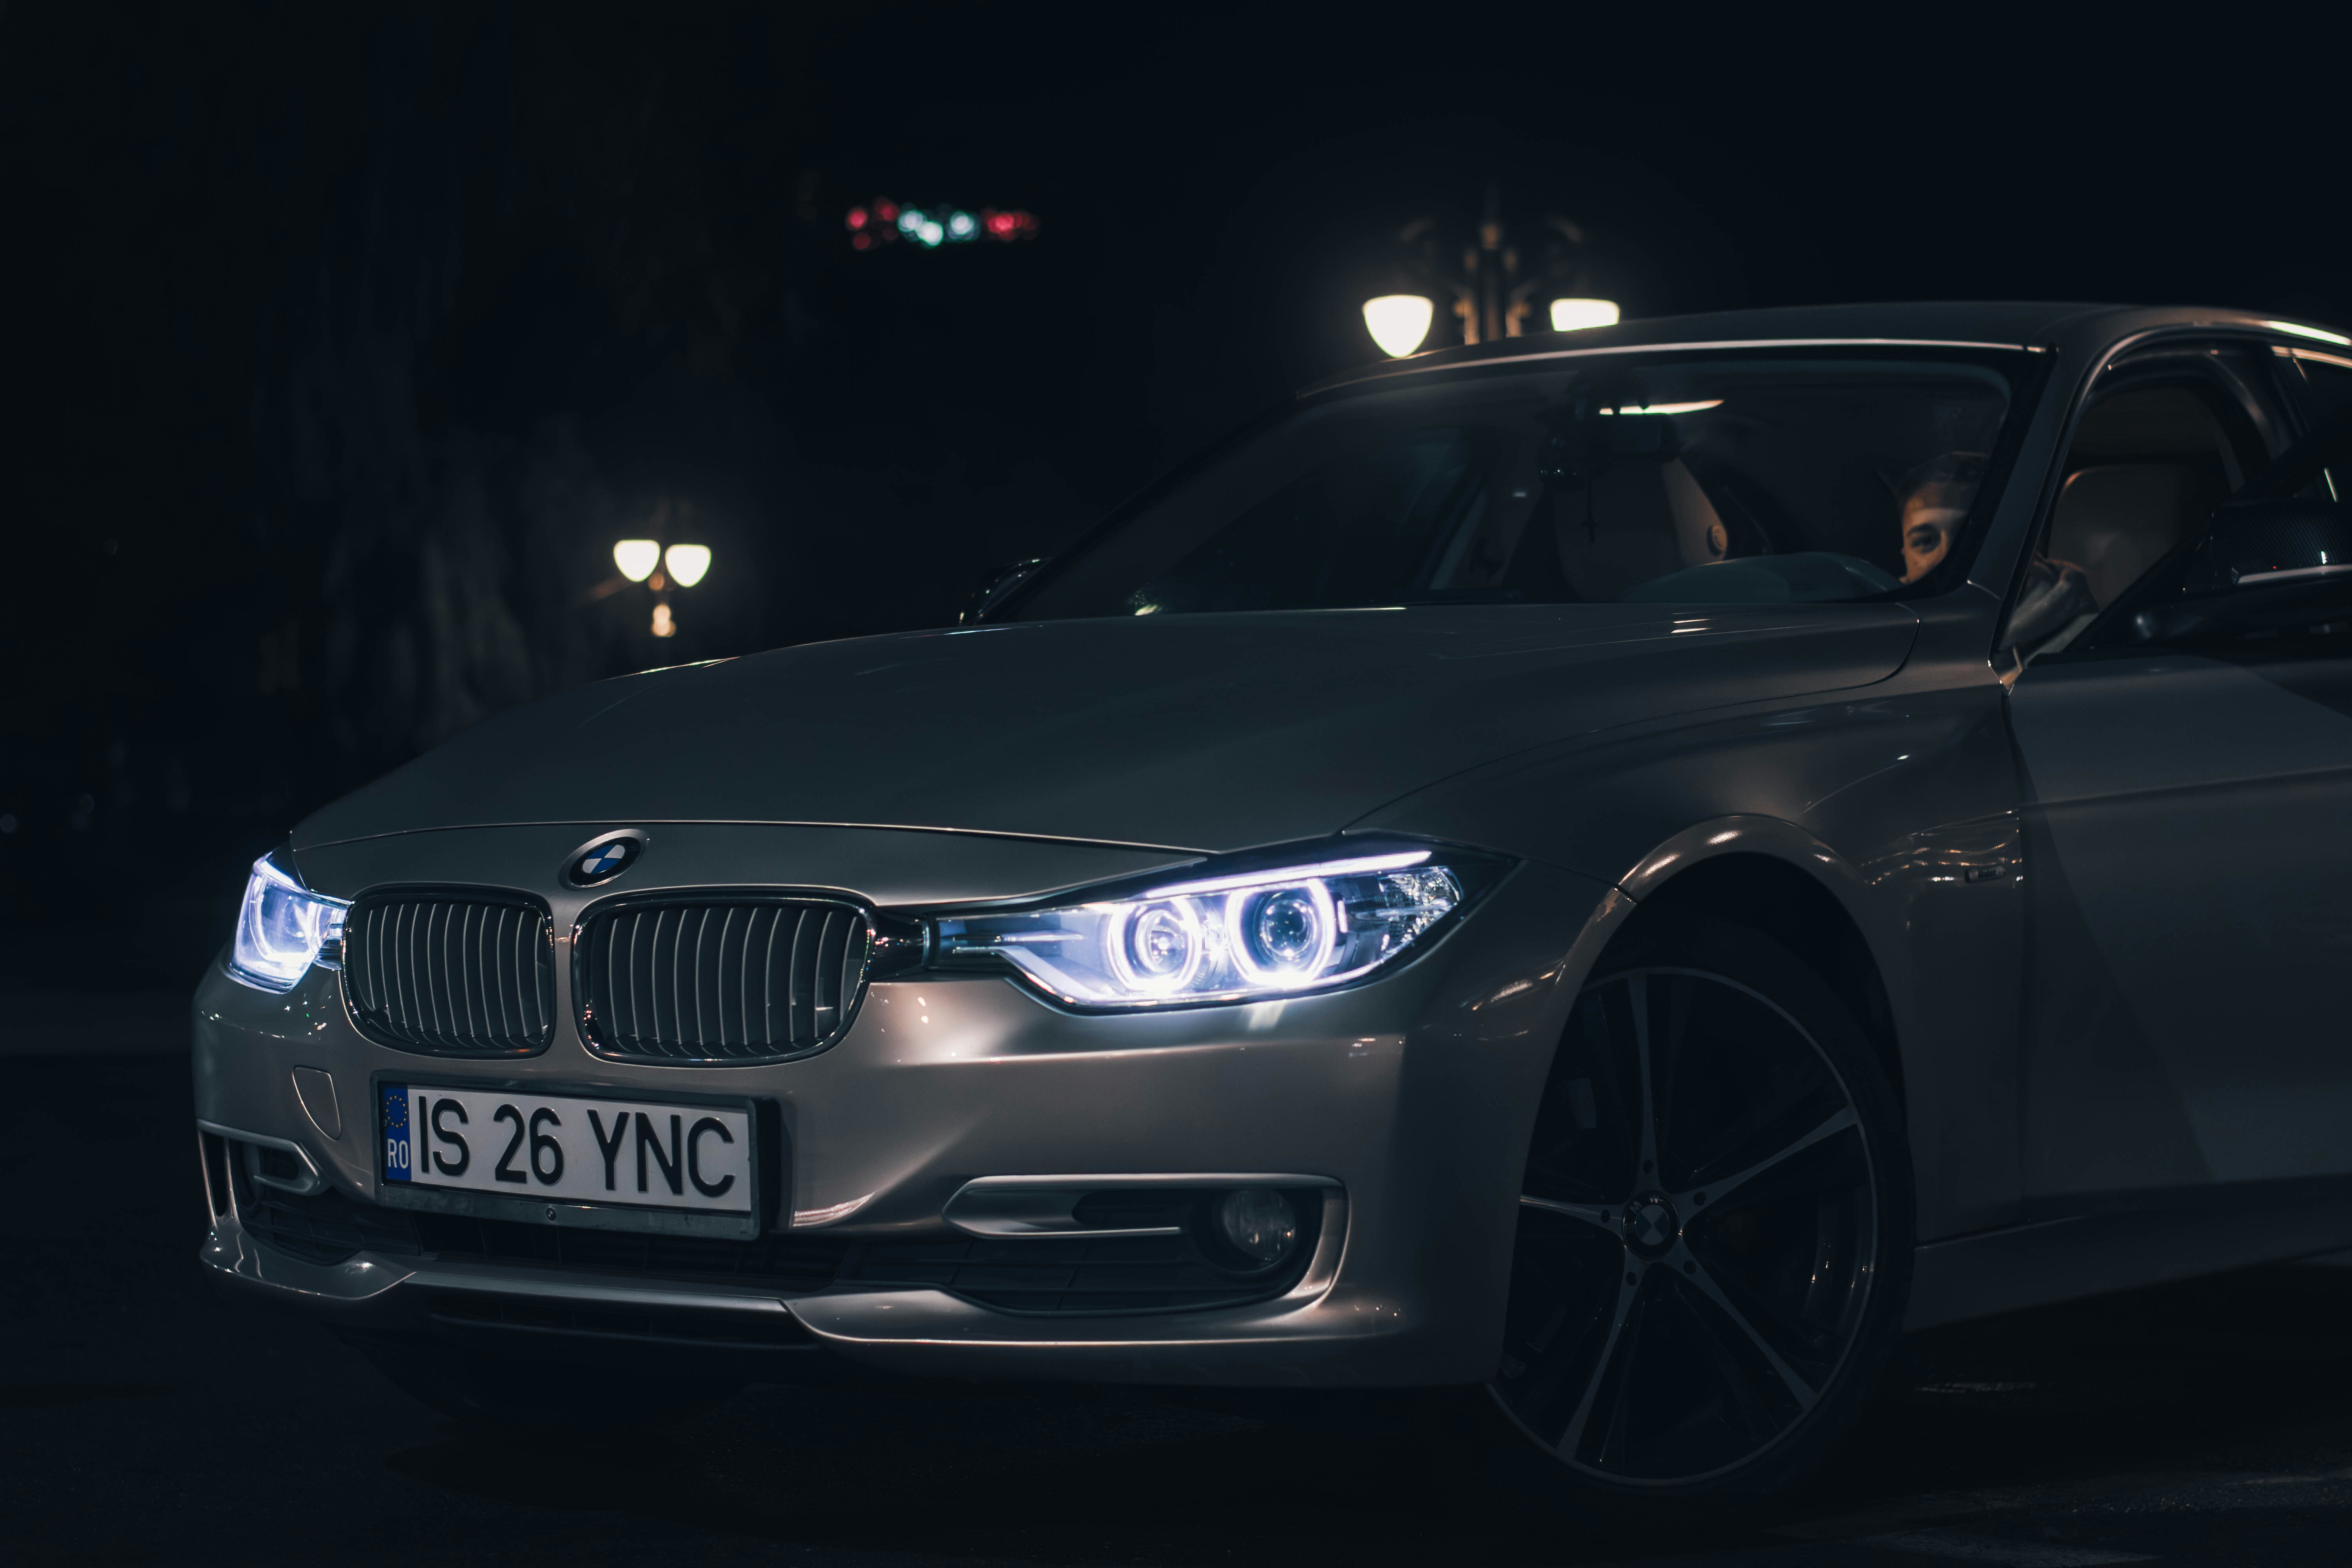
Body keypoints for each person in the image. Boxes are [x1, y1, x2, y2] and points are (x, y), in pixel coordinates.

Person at [1897, 451, 2097, 659]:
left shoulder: (2083, 643)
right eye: (1925, 541)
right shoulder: (1882, 636)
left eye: (1971, 537)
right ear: (1905, 556)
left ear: (2020, 544)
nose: (1948, 558)